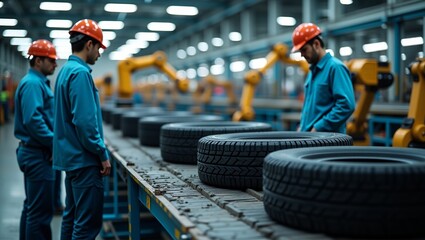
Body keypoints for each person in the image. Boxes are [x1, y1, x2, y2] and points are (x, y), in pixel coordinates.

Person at [53, 19, 111, 239]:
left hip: (71, 159)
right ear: (89, 44)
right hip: (85, 161)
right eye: (98, 48)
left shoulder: (65, 71)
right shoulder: (81, 74)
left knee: (72, 216)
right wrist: (102, 154)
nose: (99, 54)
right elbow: (85, 124)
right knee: (86, 226)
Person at [14, 39, 58, 240]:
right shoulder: (32, 84)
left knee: (32, 207)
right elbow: (34, 121)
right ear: (38, 61)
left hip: (35, 152)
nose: (55, 65)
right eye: (51, 61)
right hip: (37, 155)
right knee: (40, 213)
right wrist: (54, 142)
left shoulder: (37, 82)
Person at [292, 23, 355, 133]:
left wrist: (319, 127)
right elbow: (311, 107)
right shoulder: (312, 72)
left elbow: (346, 105)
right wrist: (302, 127)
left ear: (316, 44)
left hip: (327, 141)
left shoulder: (335, 68)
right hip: (311, 137)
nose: (301, 55)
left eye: (304, 49)